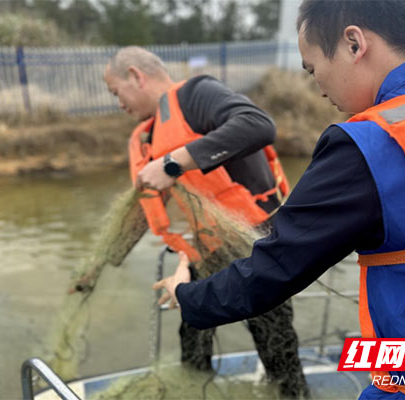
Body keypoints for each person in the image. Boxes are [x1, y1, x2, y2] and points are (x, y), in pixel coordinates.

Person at [153, 1, 405, 399]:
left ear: (354, 43)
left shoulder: (371, 144)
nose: (318, 89)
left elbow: (271, 271)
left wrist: (185, 294)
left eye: (314, 69)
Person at [103, 46, 310, 399]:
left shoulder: (196, 95)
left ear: (136, 76)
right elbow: (145, 207)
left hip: (255, 243)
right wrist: (100, 265)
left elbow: (258, 125)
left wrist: (172, 163)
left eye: (115, 92)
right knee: (193, 335)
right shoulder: (149, 136)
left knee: (274, 343)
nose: (118, 103)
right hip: (207, 249)